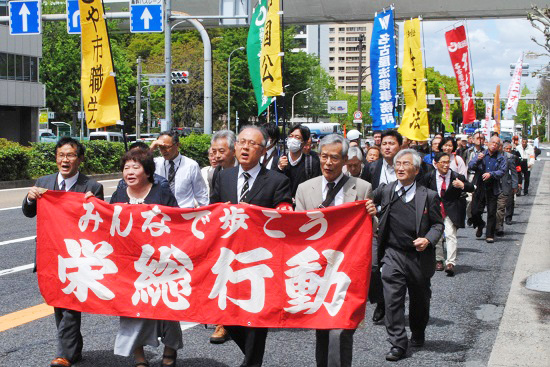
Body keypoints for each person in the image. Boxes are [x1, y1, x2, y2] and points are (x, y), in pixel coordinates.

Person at [210, 125, 292, 367]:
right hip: (227, 258)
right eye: (242, 142)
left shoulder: (277, 180)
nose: (246, 147)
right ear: (235, 146)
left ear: (264, 149)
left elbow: (284, 212)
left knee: (256, 316)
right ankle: (251, 356)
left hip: (260, 260)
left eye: (252, 144)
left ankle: (252, 362)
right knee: (226, 313)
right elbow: (212, 209)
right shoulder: (222, 176)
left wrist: (284, 209)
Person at [295, 134, 376, 367]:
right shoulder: (304, 189)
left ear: (344, 160)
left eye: (333, 158)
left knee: (340, 329)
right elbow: (297, 230)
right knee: (322, 327)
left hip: (346, 271)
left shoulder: (361, 188)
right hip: (316, 271)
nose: (328, 163)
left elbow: (372, 230)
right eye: (323, 157)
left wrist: (372, 215)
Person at [22, 137, 104, 367]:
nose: (64, 160)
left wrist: (93, 205)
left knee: (70, 303)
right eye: (61, 155)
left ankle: (64, 355)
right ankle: (73, 348)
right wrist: (30, 198)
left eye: (70, 155)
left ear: (80, 159)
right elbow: (29, 213)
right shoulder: (44, 182)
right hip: (50, 254)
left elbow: (98, 223)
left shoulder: (92, 187)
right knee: (58, 302)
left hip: (77, 256)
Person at [111, 149, 181, 367]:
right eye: (126, 168)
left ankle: (170, 349)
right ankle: (139, 357)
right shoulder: (119, 194)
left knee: (167, 307)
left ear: (148, 171)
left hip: (161, 262)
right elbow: (107, 221)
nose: (130, 172)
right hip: (130, 264)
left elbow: (178, 222)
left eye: (136, 167)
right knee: (131, 309)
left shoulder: (161, 193)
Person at [372, 149, 444, 361]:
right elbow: (364, 200)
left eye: (405, 164)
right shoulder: (385, 191)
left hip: (418, 257)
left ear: (416, 169)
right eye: (398, 164)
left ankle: (418, 331)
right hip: (392, 254)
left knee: (420, 300)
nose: (400, 167)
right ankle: (397, 343)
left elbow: (438, 224)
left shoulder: (428, 196)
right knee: (392, 299)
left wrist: (428, 239)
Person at [207, 130, 238, 345]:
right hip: (225, 232)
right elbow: (214, 200)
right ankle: (222, 321)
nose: (217, 155)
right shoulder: (217, 173)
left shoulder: (246, 168)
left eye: (221, 151)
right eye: (214, 151)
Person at [425, 153, 474, 275]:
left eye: (448, 162)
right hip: (435, 209)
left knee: (451, 235)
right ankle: (439, 260)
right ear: (435, 164)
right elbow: (421, 190)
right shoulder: (429, 176)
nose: (446, 165)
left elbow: (471, 187)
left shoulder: (456, 176)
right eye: (443, 162)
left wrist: (462, 185)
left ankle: (450, 262)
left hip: (450, 210)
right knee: (438, 236)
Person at [150, 131, 209, 208]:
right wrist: (151, 148)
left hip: (184, 213)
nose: (164, 151)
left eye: (167, 147)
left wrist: (207, 213)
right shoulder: (156, 163)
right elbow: (139, 163)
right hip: (162, 213)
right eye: (161, 147)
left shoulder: (191, 165)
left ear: (177, 145)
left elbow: (201, 194)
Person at [468, 135, 507, 243]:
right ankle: (480, 224)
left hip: (492, 186)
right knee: (475, 211)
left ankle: (489, 234)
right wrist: (477, 160)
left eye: (497, 144)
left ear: (499, 146)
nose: (494, 145)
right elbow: (470, 166)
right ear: (488, 143)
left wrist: (491, 174)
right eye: (492, 142)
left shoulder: (501, 158)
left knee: (491, 212)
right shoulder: (481, 154)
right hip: (479, 185)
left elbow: (502, 171)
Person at [277, 124, 321, 199]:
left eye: (297, 137)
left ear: (304, 142)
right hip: (284, 206)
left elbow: (316, 188)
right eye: (290, 136)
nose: (292, 140)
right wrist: (279, 169)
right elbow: (274, 185)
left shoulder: (312, 163)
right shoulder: (278, 160)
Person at [496, 142, 519, 235]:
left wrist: (515, 185)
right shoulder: (491, 156)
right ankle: (494, 225)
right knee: (494, 207)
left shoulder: (509, 157)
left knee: (504, 205)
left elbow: (514, 172)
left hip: (506, 184)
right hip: (494, 184)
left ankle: (500, 225)